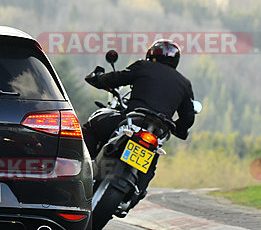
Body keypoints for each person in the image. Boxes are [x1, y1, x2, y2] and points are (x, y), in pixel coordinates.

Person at [82, 40, 195, 209]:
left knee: (91, 128)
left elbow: (116, 78)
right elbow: (188, 117)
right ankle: (136, 192)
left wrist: (99, 79)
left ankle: (81, 169)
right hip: (157, 132)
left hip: (132, 122)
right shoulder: (184, 83)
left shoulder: (143, 66)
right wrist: (181, 128)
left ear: (152, 56)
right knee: (151, 162)